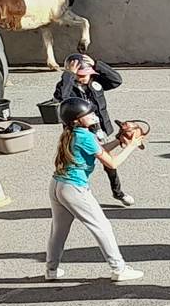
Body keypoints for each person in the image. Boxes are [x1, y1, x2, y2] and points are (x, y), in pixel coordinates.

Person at [43, 99, 144, 281]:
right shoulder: (86, 136)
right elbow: (112, 163)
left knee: (58, 230)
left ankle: (51, 270)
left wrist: (117, 141)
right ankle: (119, 269)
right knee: (102, 226)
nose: (93, 115)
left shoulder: (72, 133)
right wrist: (131, 146)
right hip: (74, 188)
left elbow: (98, 150)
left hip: (57, 185)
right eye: (88, 114)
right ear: (76, 120)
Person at [52, 53, 129, 205]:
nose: (84, 78)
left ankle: (118, 192)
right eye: (80, 75)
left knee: (108, 163)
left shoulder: (95, 81)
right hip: (80, 132)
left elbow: (116, 80)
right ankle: (77, 189)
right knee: (80, 163)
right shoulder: (66, 86)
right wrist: (68, 75)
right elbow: (61, 97)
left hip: (99, 128)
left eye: (87, 74)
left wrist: (97, 65)